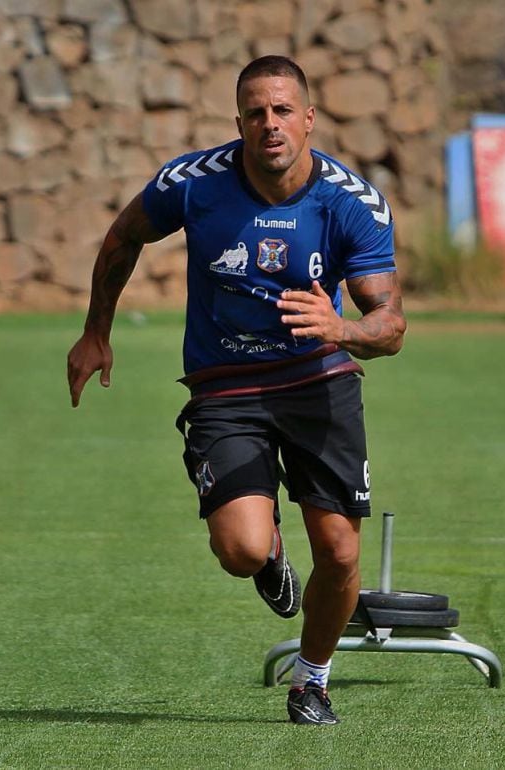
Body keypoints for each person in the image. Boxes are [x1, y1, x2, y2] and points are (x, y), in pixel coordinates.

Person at [67, 55, 406, 725]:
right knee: (241, 551)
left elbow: (390, 325)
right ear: (239, 122)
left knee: (339, 552)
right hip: (227, 386)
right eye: (255, 112)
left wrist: (340, 328)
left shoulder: (351, 201)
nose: (269, 124)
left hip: (318, 381)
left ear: (308, 119)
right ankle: (268, 548)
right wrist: (95, 333)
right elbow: (122, 237)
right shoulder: (193, 183)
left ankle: (311, 679)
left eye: (283, 111)